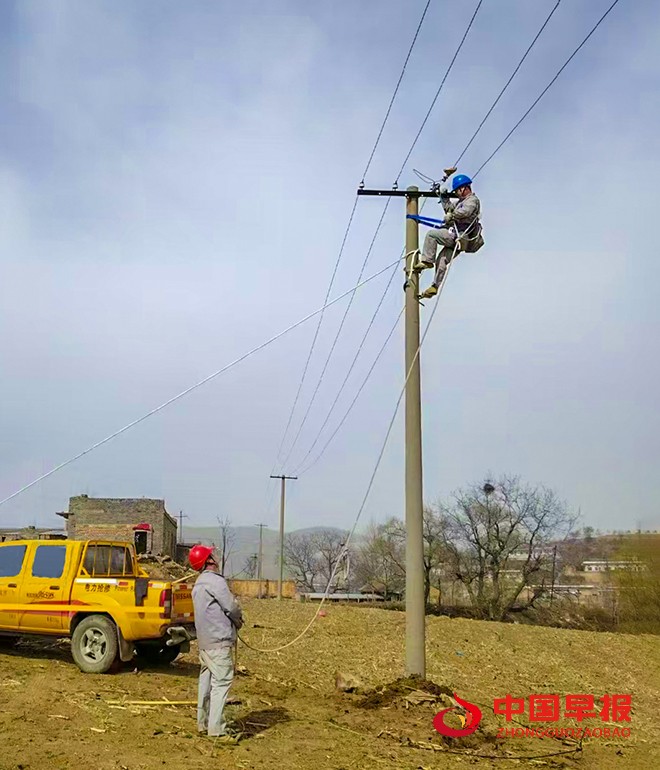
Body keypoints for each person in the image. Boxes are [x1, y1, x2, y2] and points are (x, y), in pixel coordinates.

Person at [190, 544, 244, 743]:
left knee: (205, 681)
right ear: (209, 561)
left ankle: (203, 723)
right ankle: (217, 730)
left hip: (205, 642)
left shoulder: (198, 584)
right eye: (212, 554)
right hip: (218, 641)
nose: (216, 556)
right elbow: (231, 607)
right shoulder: (215, 582)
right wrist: (238, 620)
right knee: (221, 682)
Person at [415, 173, 482, 298]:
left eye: (457, 190)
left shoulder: (472, 200)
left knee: (431, 235)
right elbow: (449, 209)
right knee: (441, 261)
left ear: (463, 188)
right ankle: (434, 287)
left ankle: (427, 261)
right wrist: (444, 197)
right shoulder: (460, 202)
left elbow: (465, 211)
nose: (456, 193)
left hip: (459, 235)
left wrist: (452, 215)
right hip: (458, 240)